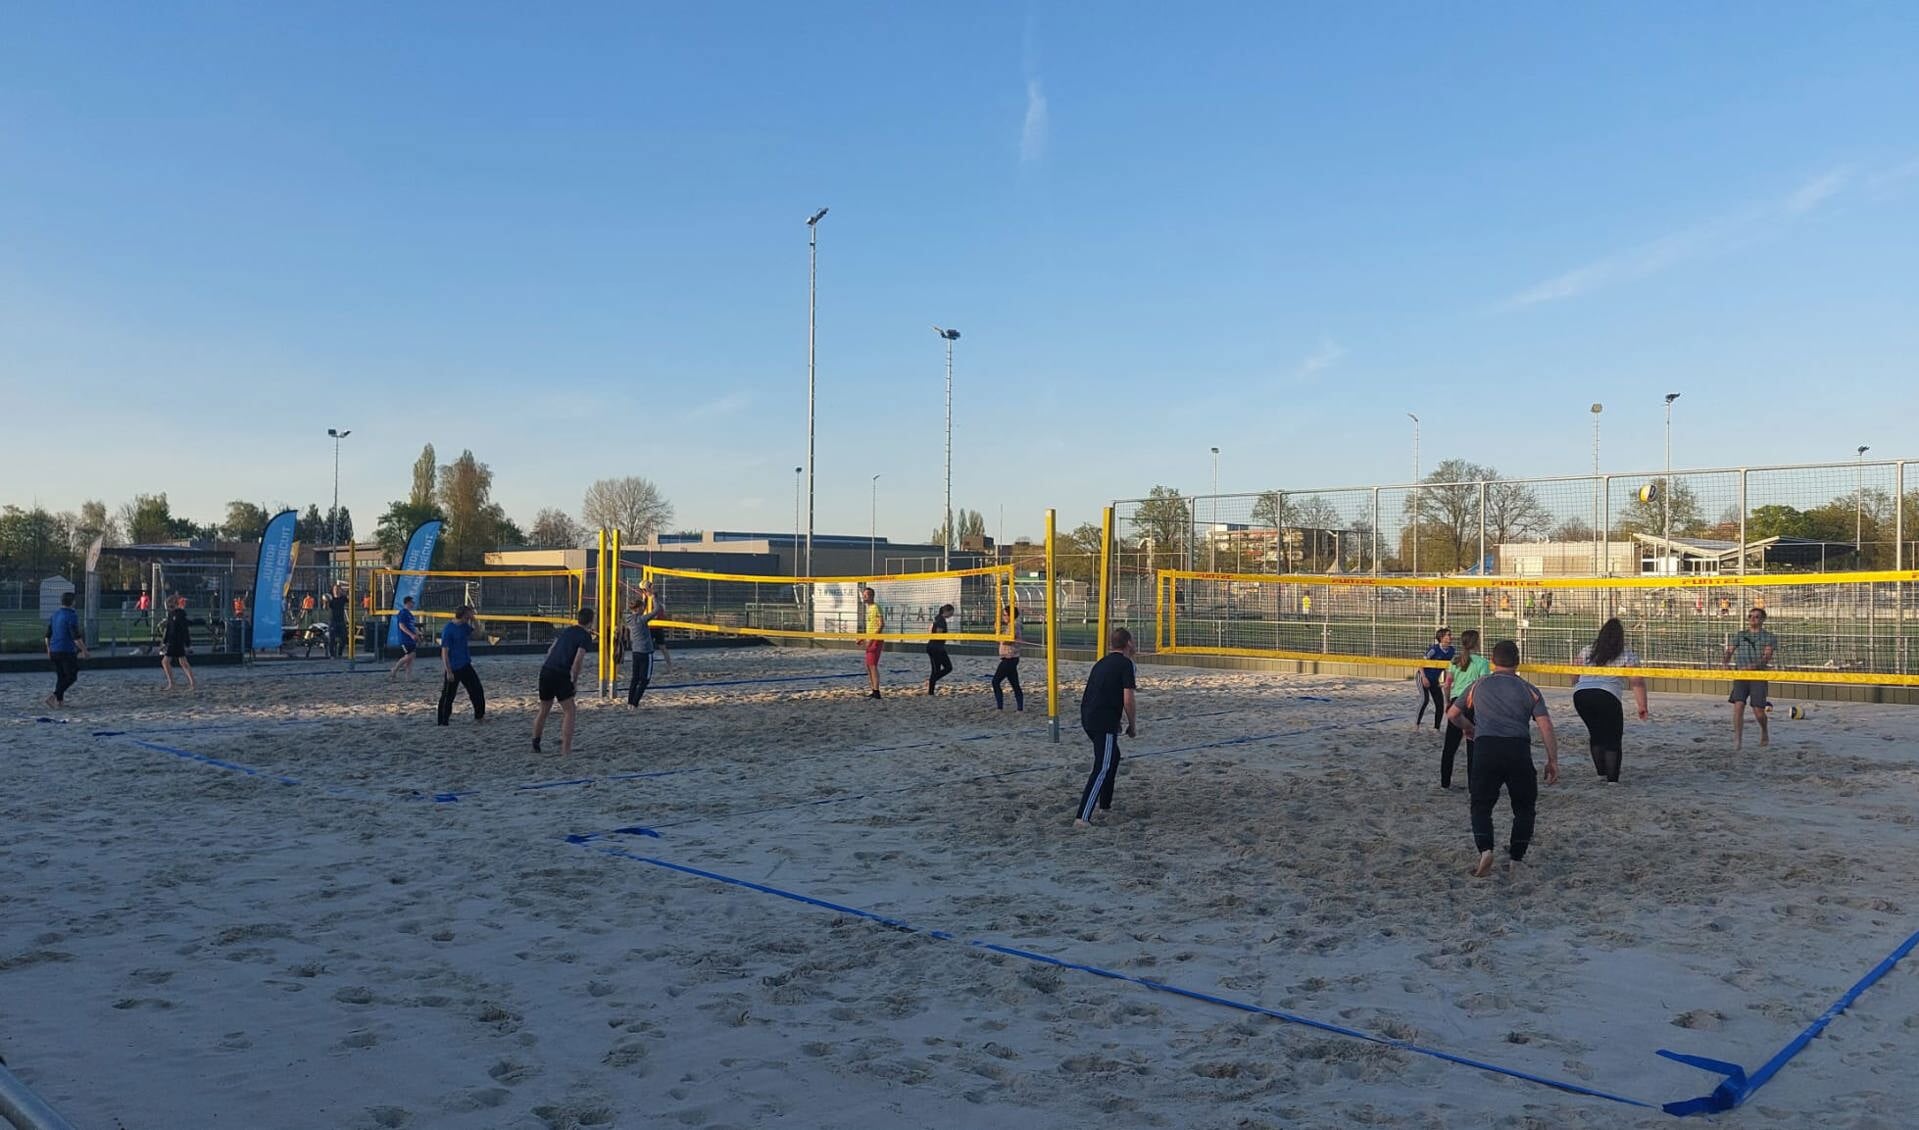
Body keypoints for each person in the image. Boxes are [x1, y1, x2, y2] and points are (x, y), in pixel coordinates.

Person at [1446, 639, 1559, 878]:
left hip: (1486, 748)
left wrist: (1469, 728)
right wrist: (1552, 759)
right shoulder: (1529, 689)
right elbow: (1545, 726)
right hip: (1518, 749)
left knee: (1481, 805)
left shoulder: (1479, 685)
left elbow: (1453, 714)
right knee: (1524, 808)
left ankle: (1486, 851)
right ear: (1517, 662)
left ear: (1493, 662)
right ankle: (1516, 858)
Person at [1074, 627, 1138, 829]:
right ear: (1128, 643)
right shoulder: (1126, 664)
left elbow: (1097, 691)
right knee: (1102, 766)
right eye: (1133, 641)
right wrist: (1132, 724)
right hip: (1102, 720)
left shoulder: (1102, 662)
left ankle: (1105, 805)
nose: (1134, 644)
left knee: (1113, 757)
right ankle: (1082, 817)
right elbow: (1128, 699)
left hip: (1088, 716)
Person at [1572, 617, 1648, 782]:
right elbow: (1637, 681)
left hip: (1581, 695)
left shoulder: (1587, 650)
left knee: (1597, 734)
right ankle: (1612, 781)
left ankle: (1601, 774)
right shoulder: (1626, 654)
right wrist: (1642, 706)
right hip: (1606, 695)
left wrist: (1582, 686)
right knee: (1612, 739)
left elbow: (1574, 674)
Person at [533, 607, 594, 755]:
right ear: (591, 621)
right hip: (560, 674)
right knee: (570, 711)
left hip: (546, 670)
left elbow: (550, 651)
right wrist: (574, 681)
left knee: (544, 709)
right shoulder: (585, 636)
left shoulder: (566, 630)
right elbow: (577, 661)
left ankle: (536, 741)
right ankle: (566, 749)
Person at [1438, 628, 1490, 789]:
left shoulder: (1455, 661)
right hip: (1472, 704)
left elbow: (1447, 685)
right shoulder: (1482, 663)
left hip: (1456, 703)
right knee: (1472, 744)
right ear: (1476, 643)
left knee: (1450, 747)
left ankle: (1445, 783)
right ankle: (1472, 785)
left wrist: (1447, 703)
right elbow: (1483, 686)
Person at [1723, 607, 1778, 751]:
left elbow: (1766, 657)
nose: (1753, 619)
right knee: (1738, 706)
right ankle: (1737, 740)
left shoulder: (1768, 637)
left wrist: (1754, 666)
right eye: (1750, 616)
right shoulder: (1740, 635)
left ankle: (1764, 732)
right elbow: (1729, 650)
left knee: (1758, 711)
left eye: (1757, 617)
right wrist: (1725, 663)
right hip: (1741, 675)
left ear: (1763, 620)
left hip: (1758, 675)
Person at [436, 605, 486, 726]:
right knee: (448, 696)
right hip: (453, 667)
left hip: (465, 665)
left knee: (477, 690)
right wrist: (448, 671)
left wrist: (475, 621)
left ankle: (479, 716)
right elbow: (444, 653)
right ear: (464, 616)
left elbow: (478, 635)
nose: (470, 617)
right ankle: (443, 721)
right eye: (469, 615)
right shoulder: (449, 629)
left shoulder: (464, 626)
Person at [44, 591, 87, 708]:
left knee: (61, 676)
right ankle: (53, 696)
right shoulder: (72, 616)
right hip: (66, 650)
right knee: (72, 676)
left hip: (54, 650)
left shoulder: (55, 615)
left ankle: (60, 702)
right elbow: (76, 637)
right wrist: (84, 650)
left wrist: (48, 649)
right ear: (72, 602)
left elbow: (47, 635)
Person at [625, 591, 661, 708]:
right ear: (639, 608)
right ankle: (635, 703)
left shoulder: (629, 618)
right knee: (645, 680)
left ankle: (630, 703)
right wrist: (653, 597)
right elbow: (656, 610)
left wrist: (644, 598)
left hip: (636, 652)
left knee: (635, 678)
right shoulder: (642, 620)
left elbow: (641, 611)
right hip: (646, 652)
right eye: (642, 607)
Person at [1416, 628, 1454, 730]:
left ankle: (1436, 728)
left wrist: (1446, 681)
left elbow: (1447, 667)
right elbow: (1421, 664)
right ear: (1441, 638)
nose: (1451, 637)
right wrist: (1424, 678)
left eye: (1450, 635)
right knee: (1424, 700)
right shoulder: (1434, 649)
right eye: (1448, 635)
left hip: (1434, 680)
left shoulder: (1451, 650)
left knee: (1440, 704)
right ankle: (1416, 725)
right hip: (1422, 676)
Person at [160, 596, 197, 690]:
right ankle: (190, 683)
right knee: (182, 662)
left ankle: (173, 683)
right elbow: (168, 629)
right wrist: (164, 642)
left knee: (167, 661)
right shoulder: (171, 614)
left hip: (177, 640)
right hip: (172, 640)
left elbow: (184, 629)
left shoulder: (180, 614)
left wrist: (187, 643)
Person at [992, 606, 1024, 711]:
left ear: (1011, 615)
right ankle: (1020, 708)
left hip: (1010, 658)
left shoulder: (1013, 626)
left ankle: (999, 708)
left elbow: (1007, 641)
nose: (1003, 617)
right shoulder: (1011, 625)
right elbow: (1002, 641)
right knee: (1015, 684)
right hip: (1010, 658)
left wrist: (997, 632)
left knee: (995, 682)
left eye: (1005, 615)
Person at [859, 585, 885, 699]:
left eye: (866, 595)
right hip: (871, 639)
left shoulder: (876, 607)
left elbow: (881, 625)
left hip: (876, 640)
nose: (864, 597)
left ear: (872, 596)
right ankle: (874, 690)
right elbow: (870, 627)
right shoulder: (869, 608)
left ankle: (876, 692)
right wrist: (863, 638)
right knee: (868, 665)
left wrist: (872, 639)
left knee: (872, 665)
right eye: (863, 595)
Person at [926, 603, 955, 695]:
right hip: (935, 648)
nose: (952, 615)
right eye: (951, 612)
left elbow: (933, 631)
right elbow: (938, 634)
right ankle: (931, 686)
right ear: (946, 611)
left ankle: (931, 687)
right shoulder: (940, 620)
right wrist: (949, 636)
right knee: (945, 668)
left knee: (943, 669)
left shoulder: (938, 618)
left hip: (938, 648)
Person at [389, 595, 420, 679]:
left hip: (411, 639)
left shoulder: (410, 614)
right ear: (408, 603)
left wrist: (417, 633)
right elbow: (401, 626)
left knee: (410, 657)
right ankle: (394, 669)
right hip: (405, 639)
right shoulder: (402, 613)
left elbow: (412, 626)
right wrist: (411, 634)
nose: (413, 604)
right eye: (412, 602)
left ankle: (408, 676)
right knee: (410, 655)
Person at [326, 582, 349, 658]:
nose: (336, 591)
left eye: (338, 589)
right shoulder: (331, 599)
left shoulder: (343, 598)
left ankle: (339, 653)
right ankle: (332, 654)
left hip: (341, 621)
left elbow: (350, 599)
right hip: (333, 621)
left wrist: (347, 591)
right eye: (335, 589)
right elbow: (325, 606)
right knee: (331, 639)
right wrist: (325, 601)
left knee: (344, 638)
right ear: (333, 590)